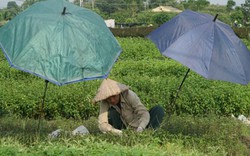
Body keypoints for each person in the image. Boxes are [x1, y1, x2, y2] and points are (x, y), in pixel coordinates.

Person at [93, 78, 165, 135]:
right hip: (121, 128)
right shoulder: (104, 102)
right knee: (112, 113)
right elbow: (102, 123)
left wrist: (141, 127)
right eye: (108, 98)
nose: (112, 100)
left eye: (114, 96)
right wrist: (115, 131)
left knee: (158, 110)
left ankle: (149, 133)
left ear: (118, 93)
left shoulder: (129, 95)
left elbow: (143, 113)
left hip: (138, 123)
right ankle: (122, 136)